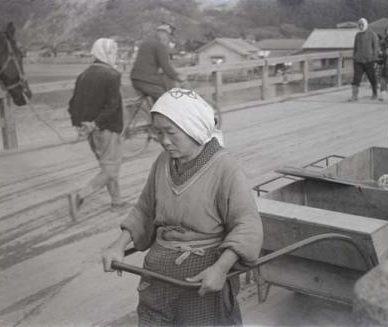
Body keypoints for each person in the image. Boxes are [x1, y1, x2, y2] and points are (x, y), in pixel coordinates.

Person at [101, 88, 263, 326]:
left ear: (193, 128)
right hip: (158, 270)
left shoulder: (225, 168)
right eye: (158, 132)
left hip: (202, 276)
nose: (164, 141)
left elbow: (247, 225)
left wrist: (220, 269)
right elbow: (145, 209)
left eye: (171, 133)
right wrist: (118, 245)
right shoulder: (163, 162)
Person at [68, 38, 131, 213]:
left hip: (90, 131)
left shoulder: (83, 75)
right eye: (113, 52)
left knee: (108, 166)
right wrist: (96, 123)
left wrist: (80, 125)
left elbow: (73, 104)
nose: (115, 55)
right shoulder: (112, 75)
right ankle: (80, 196)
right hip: (107, 128)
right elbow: (112, 106)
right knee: (110, 170)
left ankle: (117, 202)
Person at [131, 23, 185, 102]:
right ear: (163, 34)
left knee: (159, 97)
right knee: (167, 100)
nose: (169, 39)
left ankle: (155, 112)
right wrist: (178, 77)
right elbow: (166, 67)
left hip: (136, 79)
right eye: (168, 36)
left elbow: (151, 63)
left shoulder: (146, 43)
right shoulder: (160, 46)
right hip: (146, 81)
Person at [348, 18, 380, 101]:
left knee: (372, 78)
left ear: (366, 24)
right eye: (359, 25)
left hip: (369, 61)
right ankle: (354, 95)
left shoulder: (372, 34)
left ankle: (375, 93)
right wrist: (354, 57)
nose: (361, 26)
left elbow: (376, 48)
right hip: (358, 61)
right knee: (356, 79)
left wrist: (375, 60)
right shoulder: (357, 35)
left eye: (362, 25)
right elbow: (355, 48)